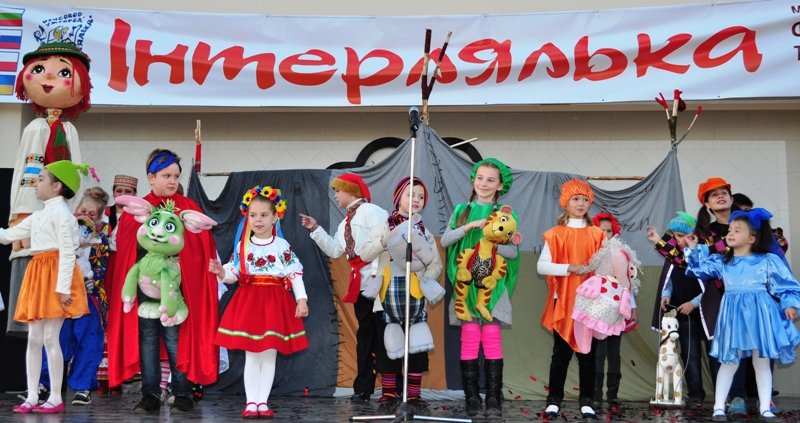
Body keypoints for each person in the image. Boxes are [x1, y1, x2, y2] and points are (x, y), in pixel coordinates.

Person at [105, 149, 220, 414]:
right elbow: (126, 249)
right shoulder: (138, 209)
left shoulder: (188, 208)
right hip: (145, 289)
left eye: (176, 176)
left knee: (175, 338)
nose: (172, 181)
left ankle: (182, 393)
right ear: (151, 178)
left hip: (176, 290)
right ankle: (150, 394)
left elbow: (200, 248)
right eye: (166, 176)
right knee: (147, 339)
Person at [684, 208, 800, 422]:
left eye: (737, 230)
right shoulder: (722, 261)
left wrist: (790, 304)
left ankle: (765, 407)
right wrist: (692, 248)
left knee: (762, 362)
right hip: (733, 316)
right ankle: (719, 407)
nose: (730, 233)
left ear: (752, 238)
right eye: (730, 230)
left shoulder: (767, 260)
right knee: (729, 362)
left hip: (761, 315)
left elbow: (786, 284)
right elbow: (699, 270)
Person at [8, 41, 91, 338]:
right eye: (40, 69)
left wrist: (74, 213)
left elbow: (76, 175)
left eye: (64, 72)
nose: (49, 77)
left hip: (60, 218)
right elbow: (26, 174)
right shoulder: (36, 128)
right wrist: (22, 214)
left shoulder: (69, 131)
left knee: (55, 320)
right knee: (35, 320)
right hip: (36, 218)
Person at [648, 177, 750, 415]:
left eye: (724, 192)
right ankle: (732, 398)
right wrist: (660, 242)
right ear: (707, 204)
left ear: (732, 197)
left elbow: (773, 247)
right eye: (714, 194)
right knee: (724, 350)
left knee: (754, 351)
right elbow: (687, 261)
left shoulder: (747, 226)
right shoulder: (707, 235)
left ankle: (760, 399)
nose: (720, 196)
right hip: (719, 300)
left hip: (750, 296)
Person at [0, 160, 92, 414]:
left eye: (40, 179)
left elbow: (68, 253)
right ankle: (32, 395)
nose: (36, 184)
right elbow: (7, 236)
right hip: (38, 272)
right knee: (34, 338)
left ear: (56, 186)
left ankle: (54, 396)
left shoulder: (63, 215)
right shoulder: (39, 215)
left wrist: (63, 289)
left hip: (55, 274)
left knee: (51, 338)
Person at [210, 185, 308, 418]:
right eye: (253, 215)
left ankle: (263, 402)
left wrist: (301, 300)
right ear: (247, 217)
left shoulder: (281, 246)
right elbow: (234, 274)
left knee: (269, 353)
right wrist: (221, 273)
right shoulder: (243, 246)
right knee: (252, 355)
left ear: (275, 217)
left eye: (264, 215)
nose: (258, 220)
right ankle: (251, 402)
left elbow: (295, 274)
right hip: (250, 302)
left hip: (275, 303)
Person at [440, 158, 519, 418]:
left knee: (492, 338)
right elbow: (446, 240)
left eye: (490, 180)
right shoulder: (461, 210)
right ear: (473, 179)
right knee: (470, 336)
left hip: (492, 287)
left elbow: (512, 252)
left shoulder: (506, 214)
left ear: (500, 186)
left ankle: (494, 396)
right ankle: (472, 397)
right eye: (480, 178)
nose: (484, 183)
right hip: (466, 285)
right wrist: (469, 226)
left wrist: (493, 242)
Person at [300, 173, 388, 403]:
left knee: (384, 334)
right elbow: (335, 250)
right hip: (361, 284)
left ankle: (392, 388)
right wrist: (316, 229)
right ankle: (364, 389)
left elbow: (384, 241)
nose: (335, 195)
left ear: (351, 190)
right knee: (366, 336)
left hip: (380, 281)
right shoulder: (343, 223)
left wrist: (379, 273)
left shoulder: (372, 211)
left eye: (338, 190)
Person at [374, 177, 443, 415]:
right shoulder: (385, 226)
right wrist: (385, 242)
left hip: (414, 298)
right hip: (388, 298)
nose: (416, 200)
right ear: (398, 198)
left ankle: (413, 395)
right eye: (410, 195)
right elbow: (367, 253)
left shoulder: (425, 232)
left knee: (417, 346)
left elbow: (435, 264)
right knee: (388, 344)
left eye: (420, 196)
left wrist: (425, 279)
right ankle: (388, 394)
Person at [537, 178, 605, 420]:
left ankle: (587, 401)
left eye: (585, 199)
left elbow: (607, 266)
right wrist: (568, 267)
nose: (580, 203)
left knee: (588, 355)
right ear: (565, 202)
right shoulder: (555, 234)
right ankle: (554, 400)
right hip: (564, 302)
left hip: (590, 304)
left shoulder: (598, 234)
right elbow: (542, 266)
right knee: (561, 354)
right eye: (575, 198)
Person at [40, 188, 110, 406]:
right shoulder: (62, 233)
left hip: (89, 297)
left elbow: (100, 269)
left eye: (91, 213)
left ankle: (82, 387)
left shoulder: (101, 240)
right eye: (82, 210)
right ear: (75, 209)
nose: (85, 215)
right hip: (62, 295)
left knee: (89, 342)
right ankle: (44, 384)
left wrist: (88, 281)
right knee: (56, 339)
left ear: (98, 218)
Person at [650, 211, 709, 408]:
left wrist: (694, 302)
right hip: (682, 313)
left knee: (714, 354)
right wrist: (666, 294)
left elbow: (711, 285)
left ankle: (723, 395)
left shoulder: (702, 252)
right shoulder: (673, 254)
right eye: (676, 236)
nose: (679, 239)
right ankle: (696, 394)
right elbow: (670, 279)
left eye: (683, 235)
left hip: (704, 311)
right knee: (690, 354)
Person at [589, 212, 639, 412]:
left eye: (609, 231)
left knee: (614, 353)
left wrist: (632, 308)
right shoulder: (591, 253)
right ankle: (595, 396)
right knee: (598, 353)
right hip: (597, 310)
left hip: (617, 310)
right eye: (601, 231)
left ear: (615, 232)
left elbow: (628, 283)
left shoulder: (621, 253)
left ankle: (613, 396)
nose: (606, 235)